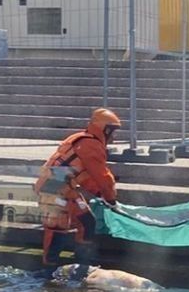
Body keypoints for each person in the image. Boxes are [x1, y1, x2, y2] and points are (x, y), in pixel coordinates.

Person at [33, 108, 122, 279]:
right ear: (104, 129)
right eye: (113, 131)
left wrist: (99, 193)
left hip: (64, 189)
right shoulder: (91, 145)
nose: (114, 136)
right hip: (53, 190)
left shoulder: (82, 139)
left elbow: (85, 176)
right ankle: (48, 271)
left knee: (87, 221)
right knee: (57, 228)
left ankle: (82, 265)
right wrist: (110, 198)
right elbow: (104, 177)